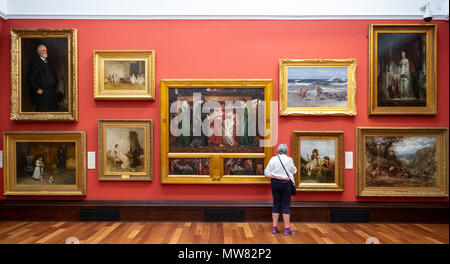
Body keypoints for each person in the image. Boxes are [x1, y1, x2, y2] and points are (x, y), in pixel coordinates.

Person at [264, 144, 297, 236]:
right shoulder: (289, 160)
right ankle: (287, 229)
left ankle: (274, 228)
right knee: (286, 205)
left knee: (276, 204)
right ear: (286, 151)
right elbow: (294, 171)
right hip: (286, 184)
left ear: (278, 150)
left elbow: (266, 173)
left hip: (275, 183)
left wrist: (274, 176)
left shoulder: (273, 159)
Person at [26, 44, 59, 112]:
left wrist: (55, 87)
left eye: (46, 50)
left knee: (54, 110)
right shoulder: (34, 62)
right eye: (43, 50)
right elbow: (30, 77)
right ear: (38, 52)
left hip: (51, 91)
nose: (45, 52)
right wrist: (37, 89)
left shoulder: (49, 62)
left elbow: (54, 75)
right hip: (42, 91)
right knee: (42, 111)